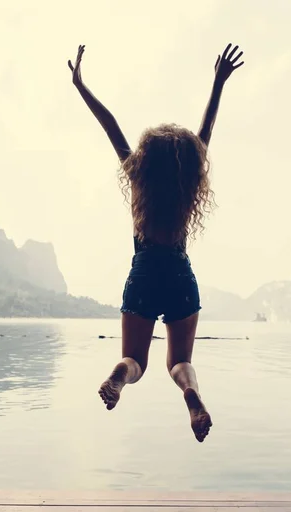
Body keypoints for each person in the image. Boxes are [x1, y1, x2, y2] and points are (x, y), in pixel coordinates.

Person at [68, 43, 244, 442]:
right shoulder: (186, 184)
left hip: (144, 270)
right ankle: (191, 393)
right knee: (179, 361)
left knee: (136, 360)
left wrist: (81, 86)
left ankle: (121, 374)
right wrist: (218, 82)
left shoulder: (137, 175)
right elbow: (207, 130)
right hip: (179, 274)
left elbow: (109, 124)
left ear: (146, 158)